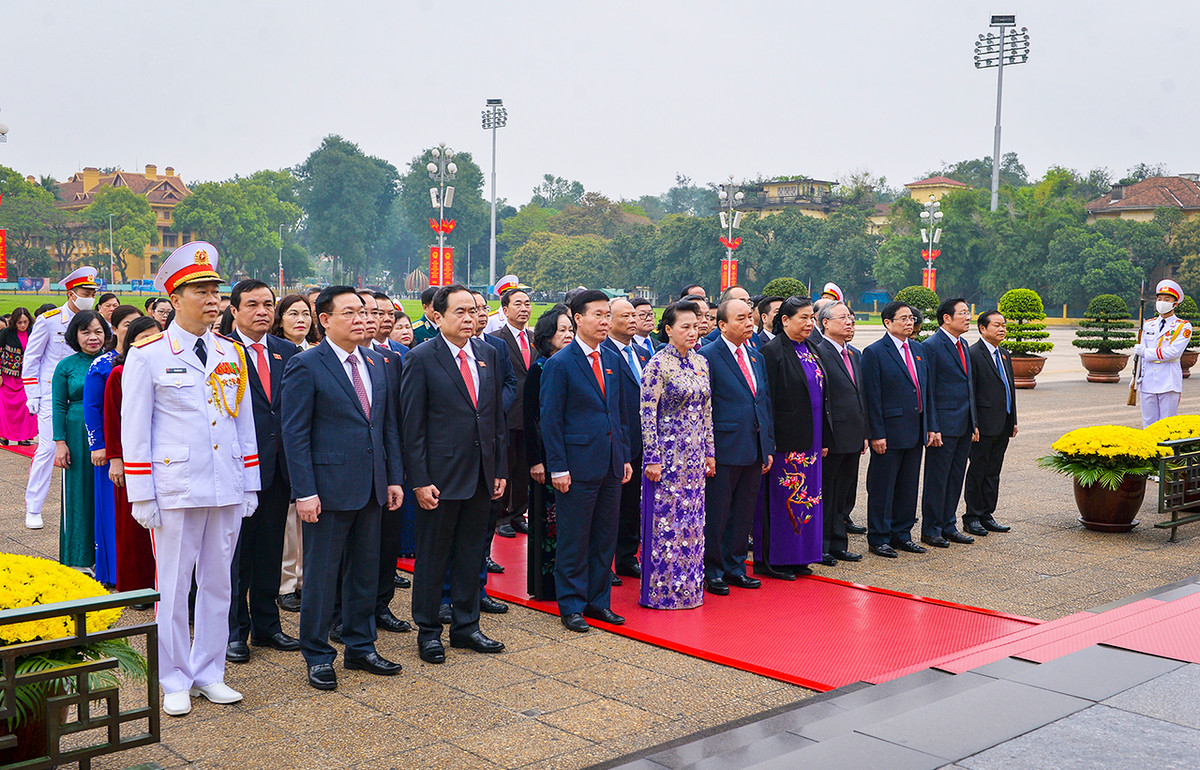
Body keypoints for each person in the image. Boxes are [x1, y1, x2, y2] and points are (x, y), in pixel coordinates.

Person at [121, 241, 261, 716]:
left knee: (220, 584)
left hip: (225, 483)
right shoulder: (149, 354)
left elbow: (242, 422)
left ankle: (209, 672)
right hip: (175, 487)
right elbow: (135, 429)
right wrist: (142, 494)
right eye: (200, 291)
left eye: (215, 291)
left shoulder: (229, 352)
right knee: (175, 586)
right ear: (174, 299)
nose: (212, 300)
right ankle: (175, 676)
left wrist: (250, 482)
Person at [282, 286, 405, 691]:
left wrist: (393, 478)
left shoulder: (375, 362)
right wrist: (305, 491)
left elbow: (386, 427)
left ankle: (360, 645)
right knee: (322, 577)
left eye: (364, 312)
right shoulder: (306, 364)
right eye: (350, 312)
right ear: (325, 319)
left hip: (371, 487)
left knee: (365, 572)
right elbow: (295, 433)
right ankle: (317, 654)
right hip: (327, 490)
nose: (361, 319)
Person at [400, 284, 508, 664]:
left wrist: (499, 469)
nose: (469, 318)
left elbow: (494, 417)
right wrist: (419, 480)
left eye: (474, 311)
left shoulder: (488, 354)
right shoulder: (421, 358)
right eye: (459, 311)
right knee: (433, 557)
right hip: (440, 478)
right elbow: (412, 427)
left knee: (471, 554)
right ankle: (429, 631)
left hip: (481, 474)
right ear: (437, 316)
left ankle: (467, 626)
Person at [541, 290, 632, 632]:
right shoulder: (561, 363)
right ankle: (572, 605)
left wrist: (623, 456)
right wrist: (558, 467)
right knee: (574, 539)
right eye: (598, 314)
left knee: (605, 537)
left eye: (608, 314)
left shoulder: (611, 358)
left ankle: (598, 601)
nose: (605, 321)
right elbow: (551, 420)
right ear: (578, 318)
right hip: (576, 465)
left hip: (610, 462)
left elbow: (619, 413)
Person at [224, 280, 303, 665]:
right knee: (238, 557)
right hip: (238, 469)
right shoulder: (221, 351)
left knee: (271, 551)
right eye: (252, 304)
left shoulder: (287, 352)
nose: (262, 311)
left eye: (268, 304)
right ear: (234, 311)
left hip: (278, 469)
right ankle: (235, 631)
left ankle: (268, 626)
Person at [639, 300, 712, 608]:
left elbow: (707, 411)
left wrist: (710, 452)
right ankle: (663, 592)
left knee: (693, 523)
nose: (692, 332)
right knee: (667, 523)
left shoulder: (701, 362)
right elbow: (647, 413)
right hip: (668, 457)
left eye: (695, 326)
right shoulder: (657, 364)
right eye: (685, 327)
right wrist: (652, 457)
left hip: (695, 458)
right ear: (668, 329)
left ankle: (690, 589)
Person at [697, 297, 771, 595]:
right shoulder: (707, 356)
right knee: (718, 513)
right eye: (740, 318)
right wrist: (708, 451)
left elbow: (763, 402)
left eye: (750, 317)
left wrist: (767, 445)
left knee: (743, 511)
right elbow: (704, 407)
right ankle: (713, 569)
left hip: (753, 446)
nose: (749, 323)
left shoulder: (755, 356)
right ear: (722, 325)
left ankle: (735, 566)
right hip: (723, 446)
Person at [22, 267, 100, 530]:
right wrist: (32, 393)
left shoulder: (94, 321)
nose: (90, 297)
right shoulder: (50, 320)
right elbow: (32, 358)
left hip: (84, 394)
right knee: (47, 448)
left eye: (92, 293)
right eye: (85, 293)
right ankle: (34, 507)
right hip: (50, 394)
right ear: (71, 293)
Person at [757, 298, 825, 578]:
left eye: (812, 318)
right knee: (782, 498)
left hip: (812, 439)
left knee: (809, 498)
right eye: (803, 318)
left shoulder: (811, 348)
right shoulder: (771, 352)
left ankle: (801, 556)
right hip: (786, 442)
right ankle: (775, 560)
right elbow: (766, 400)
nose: (809, 323)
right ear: (785, 320)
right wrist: (769, 440)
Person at [861, 302, 930, 559]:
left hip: (915, 430)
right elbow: (872, 396)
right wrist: (876, 433)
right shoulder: (875, 352)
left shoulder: (919, 349)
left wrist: (929, 426)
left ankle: (902, 534)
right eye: (903, 318)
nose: (909, 322)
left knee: (908, 486)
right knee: (883, 487)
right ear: (887, 322)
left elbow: (925, 391)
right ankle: (879, 537)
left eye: (911, 318)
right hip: (888, 432)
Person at [83, 305, 143, 586]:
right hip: (111, 449)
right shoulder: (103, 364)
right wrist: (99, 446)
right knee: (112, 511)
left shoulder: (146, 360)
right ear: (115, 329)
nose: (133, 330)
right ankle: (114, 571)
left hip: (139, 447)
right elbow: (92, 407)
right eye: (127, 324)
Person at [104, 315, 161, 598]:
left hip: (164, 458)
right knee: (133, 526)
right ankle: (136, 587)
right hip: (132, 460)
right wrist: (116, 458)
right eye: (144, 338)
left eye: (156, 337)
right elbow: (112, 418)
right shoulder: (119, 373)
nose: (151, 343)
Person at [269, 293, 318, 613]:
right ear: (280, 319)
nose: (301, 320)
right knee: (288, 521)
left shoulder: (318, 352)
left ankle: (305, 579)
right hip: (286, 444)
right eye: (293, 314)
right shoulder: (276, 353)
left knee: (310, 520)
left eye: (305, 314)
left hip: (317, 444)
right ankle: (286, 584)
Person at [53, 310, 111, 573]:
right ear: (75, 336)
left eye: (98, 331)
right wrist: (60, 442)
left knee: (106, 493)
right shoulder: (66, 366)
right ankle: (78, 558)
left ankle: (107, 559)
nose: (93, 337)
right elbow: (58, 405)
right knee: (79, 494)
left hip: (109, 430)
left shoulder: (113, 360)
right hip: (77, 434)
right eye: (85, 332)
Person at [920, 298, 979, 549]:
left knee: (955, 477)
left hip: (963, 424)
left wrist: (974, 422)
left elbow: (968, 387)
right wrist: (932, 426)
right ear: (946, 318)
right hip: (942, 426)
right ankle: (931, 529)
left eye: (968, 312)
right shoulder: (931, 346)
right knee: (937, 479)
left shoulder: (963, 344)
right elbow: (929, 390)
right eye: (963, 313)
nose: (968, 317)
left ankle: (948, 525)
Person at [524, 305, 574, 600]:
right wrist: (535, 461)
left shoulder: (573, 364)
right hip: (545, 455)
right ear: (547, 336)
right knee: (546, 519)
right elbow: (531, 417)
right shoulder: (540, 368)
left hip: (570, 452)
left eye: (570, 329)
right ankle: (545, 585)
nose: (567, 335)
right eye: (561, 330)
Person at [602, 298, 652, 581]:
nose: (633, 320)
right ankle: (605, 563)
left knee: (633, 503)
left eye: (635, 315)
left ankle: (626, 557)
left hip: (643, 439)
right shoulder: (605, 353)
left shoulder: (643, 354)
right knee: (613, 506)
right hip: (617, 439)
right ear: (609, 320)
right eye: (626, 316)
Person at [813, 301, 866, 564]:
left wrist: (864, 432)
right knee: (828, 492)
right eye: (842, 318)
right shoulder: (818, 352)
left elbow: (860, 395)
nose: (849, 322)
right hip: (832, 436)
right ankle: (821, 546)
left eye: (850, 318)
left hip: (853, 434)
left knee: (843, 494)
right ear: (825, 323)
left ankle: (838, 543)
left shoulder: (853, 354)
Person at [964, 310, 1016, 537]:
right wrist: (973, 423)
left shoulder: (1004, 354)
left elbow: (1009, 389)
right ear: (982, 328)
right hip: (983, 425)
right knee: (978, 469)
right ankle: (972, 516)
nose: (1002, 329)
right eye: (996, 325)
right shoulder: (973, 354)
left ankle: (987, 514)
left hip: (1002, 423)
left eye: (1003, 325)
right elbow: (970, 393)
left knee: (993, 470)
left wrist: (1013, 419)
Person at [490, 287, 534, 538]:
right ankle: (502, 517)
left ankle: (518, 513)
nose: (524, 308)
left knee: (524, 470)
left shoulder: (536, 338)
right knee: (505, 467)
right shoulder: (496, 340)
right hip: (507, 414)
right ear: (505, 310)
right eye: (518, 304)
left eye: (527, 303)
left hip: (530, 415)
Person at [1136, 279, 1192, 427]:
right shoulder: (1148, 324)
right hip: (1148, 381)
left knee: (1167, 424)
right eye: (1159, 299)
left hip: (1169, 380)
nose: (1162, 302)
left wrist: (1146, 352)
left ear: (1175, 304)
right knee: (1148, 423)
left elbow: (1173, 352)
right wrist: (1137, 376)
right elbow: (1140, 357)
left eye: (1167, 299)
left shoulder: (1183, 327)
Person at [0, 307, 37, 446]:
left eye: (25, 322)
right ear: (14, 322)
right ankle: (4, 435)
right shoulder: (6, 333)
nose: (22, 325)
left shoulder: (33, 332)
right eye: (19, 322)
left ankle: (24, 436)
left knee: (26, 406)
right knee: (6, 407)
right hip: (8, 376)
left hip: (26, 376)